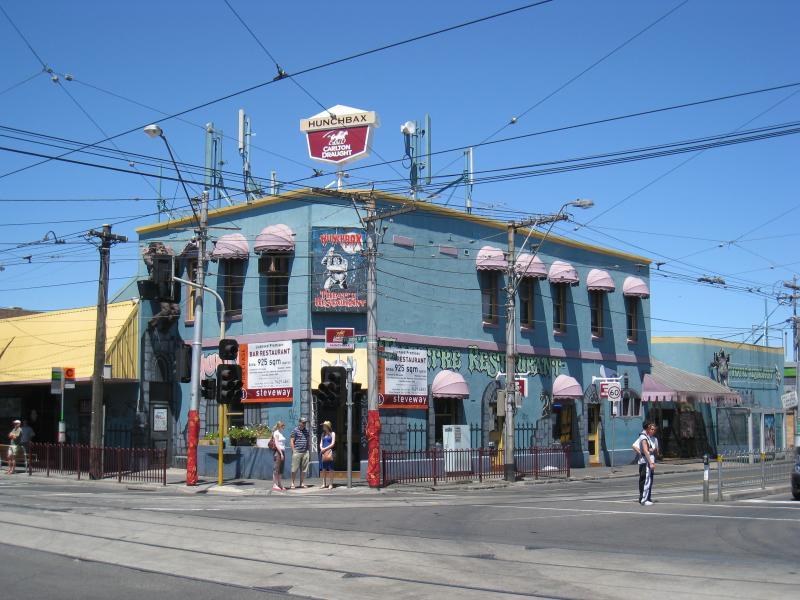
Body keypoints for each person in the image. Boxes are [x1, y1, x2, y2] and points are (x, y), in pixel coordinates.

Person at [633, 422, 659, 506]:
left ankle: (647, 497)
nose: (653, 431)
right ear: (647, 428)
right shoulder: (643, 437)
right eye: (651, 429)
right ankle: (643, 499)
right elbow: (640, 448)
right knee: (645, 480)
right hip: (645, 462)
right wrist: (641, 454)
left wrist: (654, 451)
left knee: (649, 480)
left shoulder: (653, 438)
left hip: (650, 460)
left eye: (654, 429)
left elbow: (656, 452)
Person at [290, 417, 310, 489]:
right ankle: (292, 483)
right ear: (299, 422)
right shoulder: (295, 430)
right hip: (297, 452)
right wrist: (293, 450)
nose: (304, 424)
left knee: (304, 469)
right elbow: (292, 441)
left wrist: (308, 450)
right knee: (294, 469)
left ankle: (302, 483)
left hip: (305, 452)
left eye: (305, 422)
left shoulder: (307, 431)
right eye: (303, 422)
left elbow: (308, 440)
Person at [319, 421, 336, 490]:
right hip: (323, 452)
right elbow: (321, 443)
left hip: (329, 452)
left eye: (324, 425)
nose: (323, 427)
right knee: (323, 469)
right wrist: (321, 448)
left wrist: (325, 449)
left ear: (327, 426)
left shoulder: (332, 433)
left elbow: (333, 443)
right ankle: (324, 483)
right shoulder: (323, 434)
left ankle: (331, 483)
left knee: (330, 468)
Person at [271, 421, 286, 491]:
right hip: (278, 452)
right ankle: (275, 484)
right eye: (283, 426)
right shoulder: (276, 433)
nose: (284, 427)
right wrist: (281, 453)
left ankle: (280, 484)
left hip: (282, 451)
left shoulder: (280, 433)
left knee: (281, 469)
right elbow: (277, 444)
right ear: (279, 426)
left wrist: (282, 453)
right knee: (276, 468)